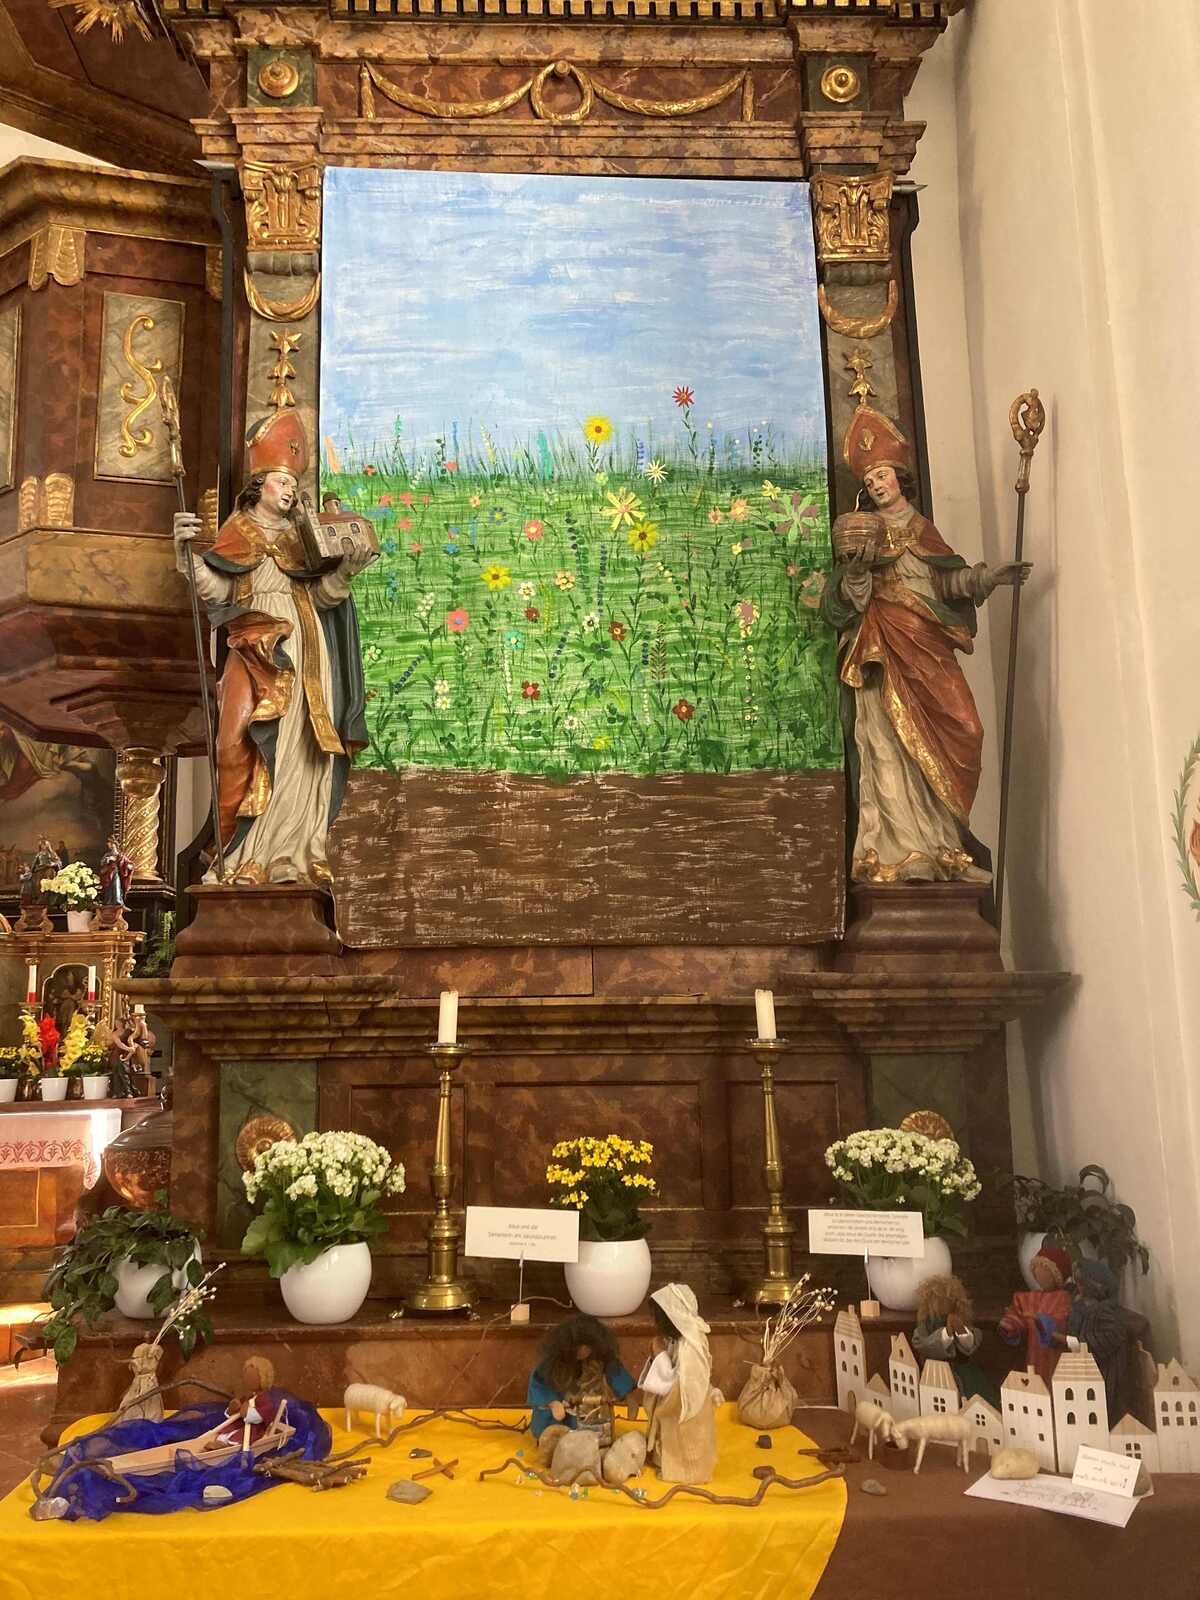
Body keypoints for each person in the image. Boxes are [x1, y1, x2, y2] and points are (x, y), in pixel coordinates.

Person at [820, 402, 1031, 884]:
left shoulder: (923, 530)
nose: (877, 484)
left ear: (899, 478)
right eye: (869, 479)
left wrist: (986, 578)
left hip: (927, 645)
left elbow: (946, 583)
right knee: (888, 743)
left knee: (965, 729)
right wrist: (857, 572)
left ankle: (945, 846)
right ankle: (902, 852)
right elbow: (842, 600)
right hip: (883, 648)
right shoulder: (863, 532)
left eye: (882, 475)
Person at [172, 413, 369, 888]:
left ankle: (292, 853)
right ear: (258, 485)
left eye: (294, 486)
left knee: (304, 744)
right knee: (235, 743)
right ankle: (242, 853)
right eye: (282, 482)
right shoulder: (238, 532)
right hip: (255, 645)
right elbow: (218, 590)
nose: (289, 492)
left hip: (306, 646)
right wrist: (185, 555)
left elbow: (322, 597)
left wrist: (345, 573)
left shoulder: (304, 537)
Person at [639, 1283, 719, 1483]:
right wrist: (658, 1355)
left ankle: (684, 1471)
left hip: (688, 1412)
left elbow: (679, 1387)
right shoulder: (677, 1339)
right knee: (669, 1436)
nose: (656, 1323)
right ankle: (664, 1459)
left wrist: (659, 1355)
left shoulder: (691, 1346)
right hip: (675, 1404)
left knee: (686, 1442)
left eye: (659, 1318)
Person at [527, 1312, 635, 1459]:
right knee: (553, 1429)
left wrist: (629, 1397)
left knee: (595, 1429)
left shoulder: (600, 1357)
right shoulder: (553, 1362)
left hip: (592, 1405)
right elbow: (540, 1382)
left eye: (587, 1347)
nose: (583, 1351)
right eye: (579, 1347)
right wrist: (553, 1403)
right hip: (563, 1407)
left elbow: (616, 1373)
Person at [912, 1273, 998, 1407]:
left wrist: (961, 1330)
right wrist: (946, 1333)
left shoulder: (959, 1318)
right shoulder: (927, 1324)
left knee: (976, 1397)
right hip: (936, 1372)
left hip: (963, 1370)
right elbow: (922, 1344)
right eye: (939, 1300)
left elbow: (971, 1342)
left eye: (947, 1300)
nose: (942, 1304)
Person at [997, 1244, 1072, 1385]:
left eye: (1046, 1275)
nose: (1041, 1278)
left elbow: (1062, 1323)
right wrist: (1011, 1324)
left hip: (1055, 1356)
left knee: (1055, 1382)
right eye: (1037, 1275)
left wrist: (1040, 1320)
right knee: (1035, 1382)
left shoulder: (1064, 1298)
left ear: (1056, 1276)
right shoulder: (1029, 1298)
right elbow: (1018, 1316)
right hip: (1033, 1354)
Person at [99, 835, 134, 907]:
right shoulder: (107, 855)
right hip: (108, 874)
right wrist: (107, 860)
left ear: (114, 844)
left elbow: (128, 864)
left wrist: (128, 866)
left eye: (109, 844)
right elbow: (102, 863)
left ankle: (117, 900)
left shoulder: (120, 855)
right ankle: (108, 901)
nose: (108, 845)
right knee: (108, 888)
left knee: (116, 885)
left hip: (116, 873)